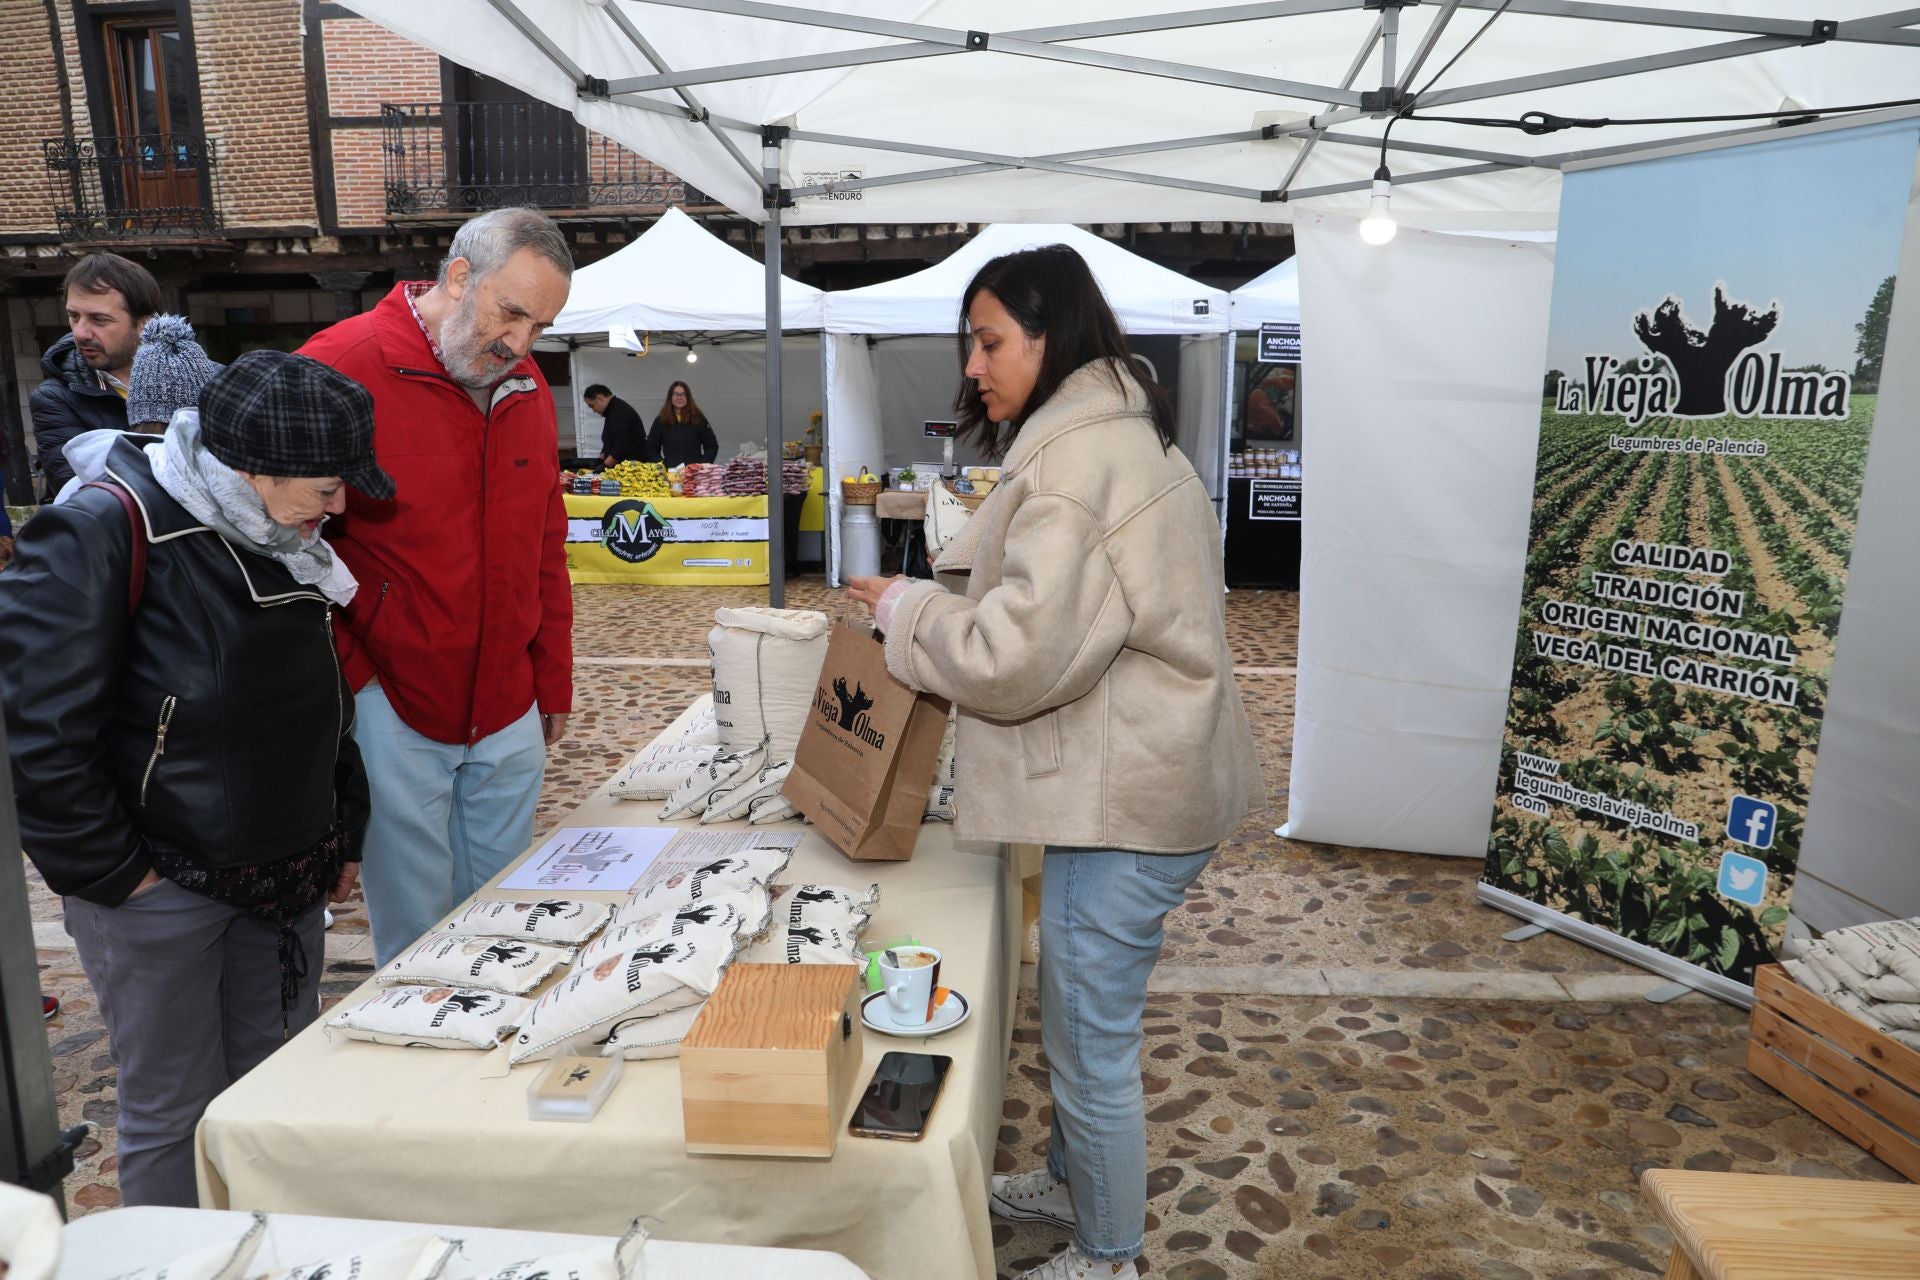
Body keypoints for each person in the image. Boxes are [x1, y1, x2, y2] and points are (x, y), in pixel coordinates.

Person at [846, 245, 1262, 1280]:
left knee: (1090, 1044)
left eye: (989, 342)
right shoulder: (1114, 432)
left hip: (1124, 798)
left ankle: (1111, 1252)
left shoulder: (1078, 461)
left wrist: (911, 608)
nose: (973, 366)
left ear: (1049, 336)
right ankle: (1075, 1185)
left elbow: (1017, 656)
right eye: (969, 343)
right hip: (1136, 781)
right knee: (1081, 1020)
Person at [0, 349, 388, 1207]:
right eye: (326, 486)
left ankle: (267, 1254)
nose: (340, 505)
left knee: (271, 1094)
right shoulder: (106, 527)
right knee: (173, 1112)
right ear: (252, 467)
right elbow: (40, 734)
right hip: (159, 882)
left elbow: (317, 697)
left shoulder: (281, 533)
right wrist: (119, 876)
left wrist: (339, 826)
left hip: (282, 874)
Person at [298, 206, 575, 967]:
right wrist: (362, 685)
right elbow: (285, 546)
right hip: (394, 697)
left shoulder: (525, 388)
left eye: (539, 328)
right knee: (417, 936)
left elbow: (545, 542)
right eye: (511, 313)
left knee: (504, 920)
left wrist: (549, 678)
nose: (519, 345)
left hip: (506, 699)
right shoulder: (339, 364)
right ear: (459, 278)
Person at [29, 253, 161, 498]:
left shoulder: (208, 379)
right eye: (74, 316)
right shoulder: (54, 399)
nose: (80, 333)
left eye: (99, 319)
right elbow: (88, 499)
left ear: (145, 324)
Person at [647, 380, 718, 468]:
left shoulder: (698, 419)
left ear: (688, 397)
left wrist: (702, 466)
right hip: (670, 475)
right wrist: (662, 466)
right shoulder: (660, 420)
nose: (679, 397)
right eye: (676, 394)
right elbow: (651, 448)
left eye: (683, 394)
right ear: (670, 397)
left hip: (694, 475)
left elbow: (712, 445)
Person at [584, 383, 653, 466]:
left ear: (600, 398)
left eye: (592, 406)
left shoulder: (620, 412)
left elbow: (621, 446)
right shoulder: (613, 410)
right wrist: (600, 458)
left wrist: (604, 466)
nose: (593, 410)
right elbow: (610, 440)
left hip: (631, 469)